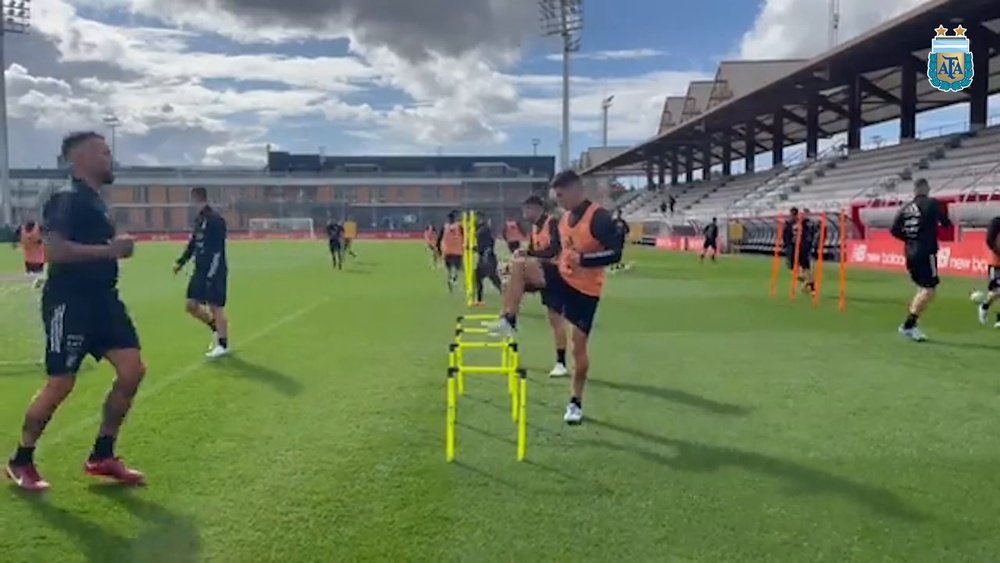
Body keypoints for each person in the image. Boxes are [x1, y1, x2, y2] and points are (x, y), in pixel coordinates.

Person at [6, 131, 146, 491]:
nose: (110, 157)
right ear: (81, 158)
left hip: (104, 300)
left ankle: (102, 455)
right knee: (61, 382)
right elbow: (55, 251)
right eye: (104, 152)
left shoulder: (95, 201)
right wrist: (112, 250)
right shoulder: (66, 197)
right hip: (70, 301)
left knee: (132, 370)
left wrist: (112, 248)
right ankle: (21, 460)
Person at [487, 170, 623, 425]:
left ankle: (575, 402)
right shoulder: (563, 221)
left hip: (586, 290)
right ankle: (509, 319)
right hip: (561, 277)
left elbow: (615, 254)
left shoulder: (599, 218)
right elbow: (559, 253)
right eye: (555, 196)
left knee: (578, 348)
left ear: (576, 190)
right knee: (519, 263)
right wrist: (535, 261)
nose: (558, 201)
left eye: (561, 195)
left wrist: (583, 260)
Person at [890, 178, 952, 341]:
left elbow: (894, 230)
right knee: (929, 290)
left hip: (910, 252)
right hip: (926, 252)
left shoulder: (905, 208)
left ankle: (912, 325)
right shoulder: (932, 203)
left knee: (921, 289)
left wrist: (910, 238)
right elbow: (946, 223)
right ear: (925, 188)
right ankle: (908, 325)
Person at [173, 187, 229, 359]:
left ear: (198, 198)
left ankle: (222, 343)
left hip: (215, 268)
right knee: (191, 306)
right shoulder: (199, 220)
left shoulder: (215, 220)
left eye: (192, 199)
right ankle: (215, 327)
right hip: (200, 269)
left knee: (215, 305)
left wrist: (213, 271)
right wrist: (181, 262)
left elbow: (218, 249)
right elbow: (193, 243)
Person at [521, 195, 569, 377]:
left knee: (555, 319)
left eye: (527, 209)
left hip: (557, 274)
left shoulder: (552, 223)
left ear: (537, 208)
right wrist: (525, 252)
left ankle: (561, 362)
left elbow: (555, 249)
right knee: (511, 277)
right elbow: (534, 250)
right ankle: (509, 319)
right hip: (542, 272)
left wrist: (531, 255)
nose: (525, 214)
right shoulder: (534, 228)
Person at [782, 208, 816, 295]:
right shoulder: (789, 223)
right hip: (792, 247)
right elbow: (785, 235)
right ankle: (806, 281)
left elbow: (811, 232)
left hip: (803, 248)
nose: (793, 216)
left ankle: (812, 287)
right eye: (792, 215)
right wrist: (786, 244)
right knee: (793, 268)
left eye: (794, 215)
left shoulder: (805, 223)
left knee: (805, 267)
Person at [975, 214, 1000, 326]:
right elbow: (989, 240)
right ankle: (985, 306)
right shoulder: (996, 222)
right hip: (996, 263)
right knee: (996, 291)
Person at [472, 215, 503, 306]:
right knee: (480, 277)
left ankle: (507, 296)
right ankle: (479, 300)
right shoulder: (483, 231)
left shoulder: (483, 231)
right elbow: (483, 246)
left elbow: (486, 246)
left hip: (488, 259)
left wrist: (479, 250)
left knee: (493, 279)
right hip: (485, 258)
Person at [437, 210, 464, 293]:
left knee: (449, 270)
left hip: (447, 251)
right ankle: (454, 279)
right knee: (457, 268)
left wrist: (439, 250)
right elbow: (465, 236)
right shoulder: (459, 226)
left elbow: (439, 239)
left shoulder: (445, 227)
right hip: (457, 251)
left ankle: (450, 287)